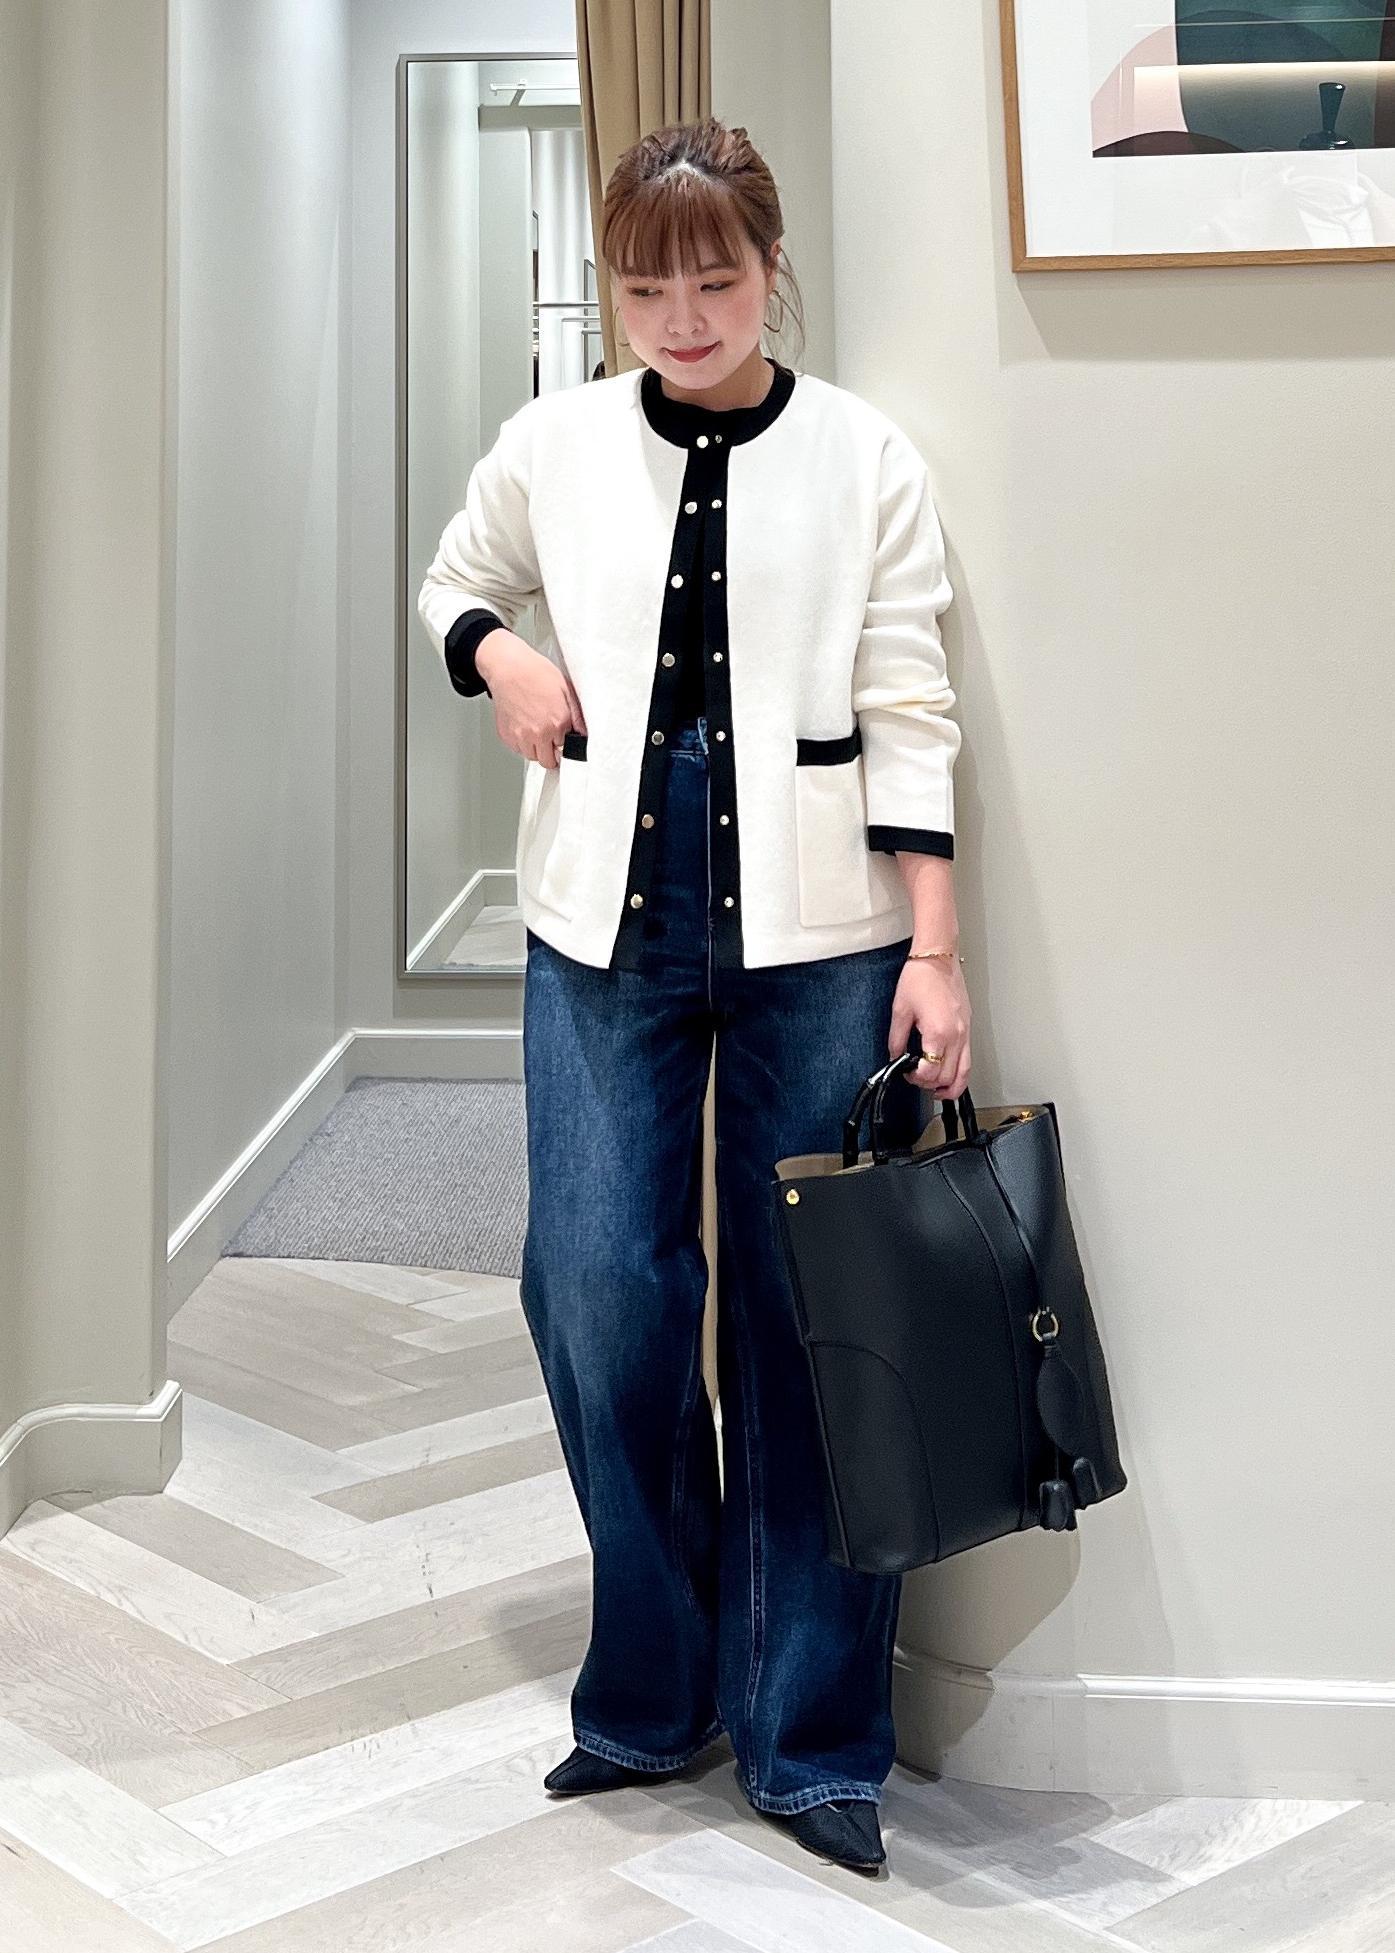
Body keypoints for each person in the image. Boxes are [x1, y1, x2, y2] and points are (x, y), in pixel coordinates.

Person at [417, 117, 972, 1875]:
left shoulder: (864, 454)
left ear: (770, 268)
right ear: (615, 287)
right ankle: (655, 1690)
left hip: (827, 936)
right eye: (647, 287)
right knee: (598, 1290)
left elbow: (910, 699)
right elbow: (451, 582)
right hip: (605, 917)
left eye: (716, 279)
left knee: (818, 1320)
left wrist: (937, 949)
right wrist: (502, 656)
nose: (683, 316)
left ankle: (810, 1737)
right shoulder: (555, 443)